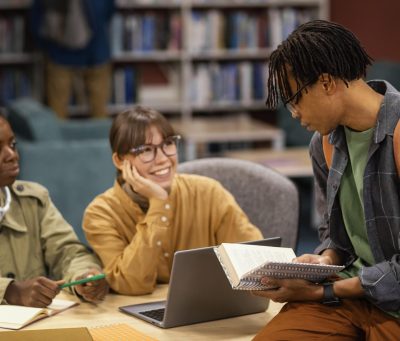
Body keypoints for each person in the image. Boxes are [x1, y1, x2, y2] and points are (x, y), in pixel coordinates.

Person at [252, 20, 400, 340]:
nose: (293, 113)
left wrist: (323, 293)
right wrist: (323, 261)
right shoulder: (324, 144)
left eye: (294, 99)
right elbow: (336, 239)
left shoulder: (398, 134)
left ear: (327, 83)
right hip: (349, 297)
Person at [82, 106, 263, 295]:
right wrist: (159, 204)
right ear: (120, 161)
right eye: (146, 150)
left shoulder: (209, 192)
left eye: (168, 144)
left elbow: (254, 259)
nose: (162, 159)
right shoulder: (100, 213)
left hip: (208, 308)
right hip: (135, 315)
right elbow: (130, 284)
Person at [0, 113, 108, 307]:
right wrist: (10, 292)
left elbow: (68, 252)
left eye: (13, 144)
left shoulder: (33, 201)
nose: (11, 155)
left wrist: (85, 275)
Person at [30, 0, 115, 119]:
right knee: (99, 112)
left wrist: (46, 47)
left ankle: (56, 137)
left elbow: (36, 21)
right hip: (96, 51)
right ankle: (101, 137)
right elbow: (109, 11)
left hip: (59, 53)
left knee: (57, 113)